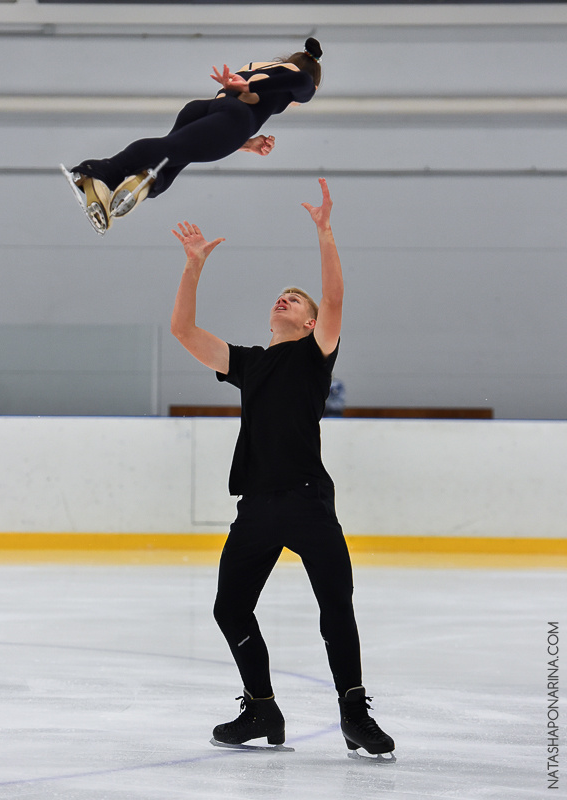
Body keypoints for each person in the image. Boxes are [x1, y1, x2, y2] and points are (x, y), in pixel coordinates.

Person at [170, 178, 396, 760]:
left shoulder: (313, 357)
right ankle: (262, 708)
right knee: (229, 607)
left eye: (296, 301)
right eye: (281, 297)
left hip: (307, 501)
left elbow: (335, 301)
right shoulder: (249, 364)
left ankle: (354, 713)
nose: (284, 300)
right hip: (257, 508)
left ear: (309, 324)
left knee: (335, 606)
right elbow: (184, 332)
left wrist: (325, 232)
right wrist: (193, 266)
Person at [64, 37, 323, 234]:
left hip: (205, 110)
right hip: (235, 119)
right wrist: (251, 86)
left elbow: (222, 118)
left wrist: (245, 143)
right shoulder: (295, 81)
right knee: (168, 150)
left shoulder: (257, 66)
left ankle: (140, 185)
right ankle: (102, 172)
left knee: (167, 163)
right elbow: (303, 84)